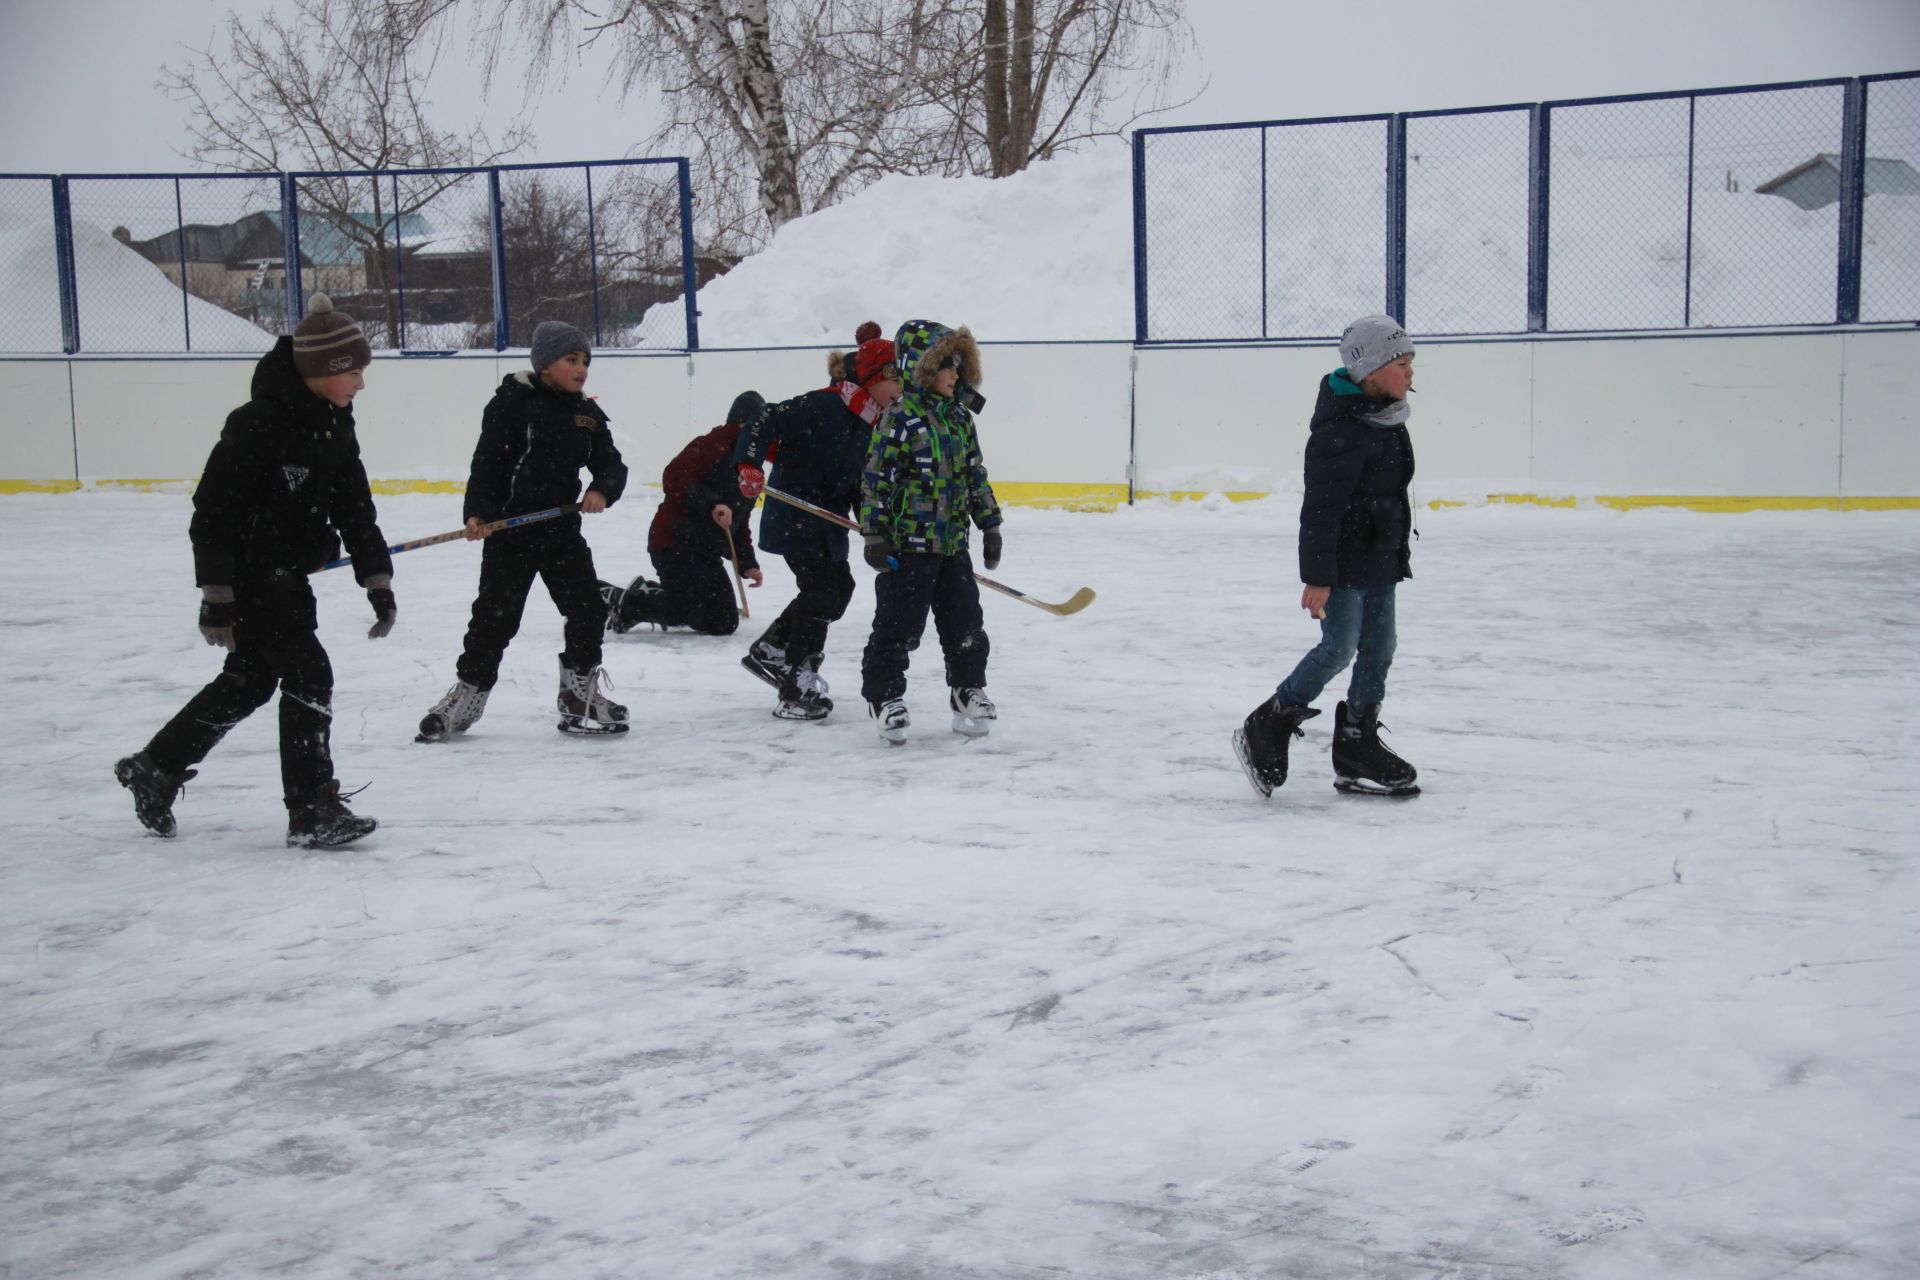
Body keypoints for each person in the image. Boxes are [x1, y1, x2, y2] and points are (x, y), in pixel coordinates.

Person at [114, 294, 396, 848]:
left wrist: (377, 580)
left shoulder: (335, 425)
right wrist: (217, 593)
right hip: (253, 576)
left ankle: (156, 765)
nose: (361, 382)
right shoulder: (257, 425)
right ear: (323, 370)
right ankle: (312, 806)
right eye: (354, 371)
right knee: (309, 674)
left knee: (249, 682)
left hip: (288, 575)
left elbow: (355, 508)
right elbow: (214, 513)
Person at [1233, 314, 1421, 798]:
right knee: (1338, 648)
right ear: (1371, 371)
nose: (1411, 371)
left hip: (1381, 559)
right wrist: (1317, 577)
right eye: (1401, 363)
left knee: (1380, 649)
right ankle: (1269, 720)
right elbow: (1319, 511)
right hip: (1342, 566)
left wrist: (1395, 550)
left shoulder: (1389, 419)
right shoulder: (1339, 430)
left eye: (1411, 362)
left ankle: (1356, 745)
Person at [417, 320, 630, 741]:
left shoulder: (586, 414)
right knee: (495, 619)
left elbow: (611, 462)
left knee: (587, 610)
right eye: (571, 359)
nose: (582, 368)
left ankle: (578, 694)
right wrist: (478, 513)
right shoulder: (512, 404)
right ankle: (468, 695)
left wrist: (602, 490)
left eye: (585, 361)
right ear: (545, 364)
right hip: (510, 533)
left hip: (560, 531)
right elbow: (488, 462)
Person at [731, 322, 903, 721]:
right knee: (824, 590)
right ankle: (797, 683)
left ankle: (772, 649)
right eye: (893, 381)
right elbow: (764, 419)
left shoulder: (873, 425)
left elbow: (861, 486)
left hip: (828, 522)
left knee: (836, 588)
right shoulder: (824, 404)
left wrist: (876, 528)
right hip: (795, 513)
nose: (900, 391)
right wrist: (748, 465)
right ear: (872, 379)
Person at [857, 318, 1003, 745]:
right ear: (922, 368)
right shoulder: (899, 419)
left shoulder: (960, 420)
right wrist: (874, 535)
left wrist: (990, 524)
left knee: (966, 625)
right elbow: (875, 480)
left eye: (960, 366)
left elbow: (975, 474)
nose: (956, 375)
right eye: (948, 366)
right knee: (898, 626)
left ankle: (967, 691)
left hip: (953, 545)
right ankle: (884, 697)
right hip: (908, 547)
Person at [599, 391, 767, 639]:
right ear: (742, 425)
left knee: (723, 622)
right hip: (675, 541)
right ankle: (622, 601)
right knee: (688, 609)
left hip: (706, 551)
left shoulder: (751, 468)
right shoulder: (712, 445)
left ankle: (651, 595)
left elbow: (739, 524)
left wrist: (747, 564)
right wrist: (713, 504)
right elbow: (674, 477)